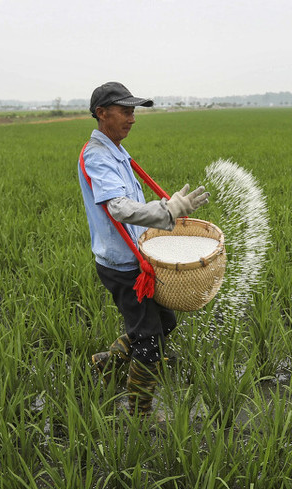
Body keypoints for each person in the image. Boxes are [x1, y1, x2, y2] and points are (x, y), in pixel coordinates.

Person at [78, 81, 210, 416]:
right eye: (125, 111)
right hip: (122, 265)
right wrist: (168, 210)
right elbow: (119, 209)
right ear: (101, 113)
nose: (132, 118)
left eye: (133, 110)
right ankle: (138, 415)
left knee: (165, 324)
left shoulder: (116, 153)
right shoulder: (97, 156)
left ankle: (106, 363)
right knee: (150, 341)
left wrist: (169, 216)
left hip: (137, 258)